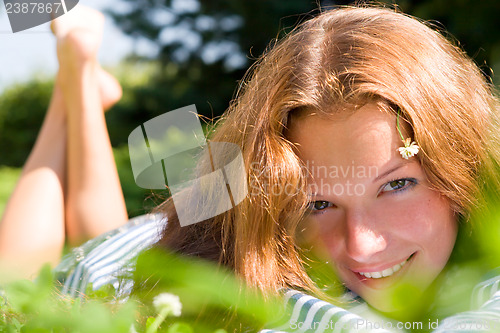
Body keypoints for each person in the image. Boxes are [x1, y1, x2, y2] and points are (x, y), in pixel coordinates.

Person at [2, 4, 500, 332]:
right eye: (319, 203)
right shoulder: (295, 306)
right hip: (124, 258)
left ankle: (78, 81)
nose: (362, 245)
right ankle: (74, 80)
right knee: (14, 273)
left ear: (461, 159)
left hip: (169, 238)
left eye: (396, 184)